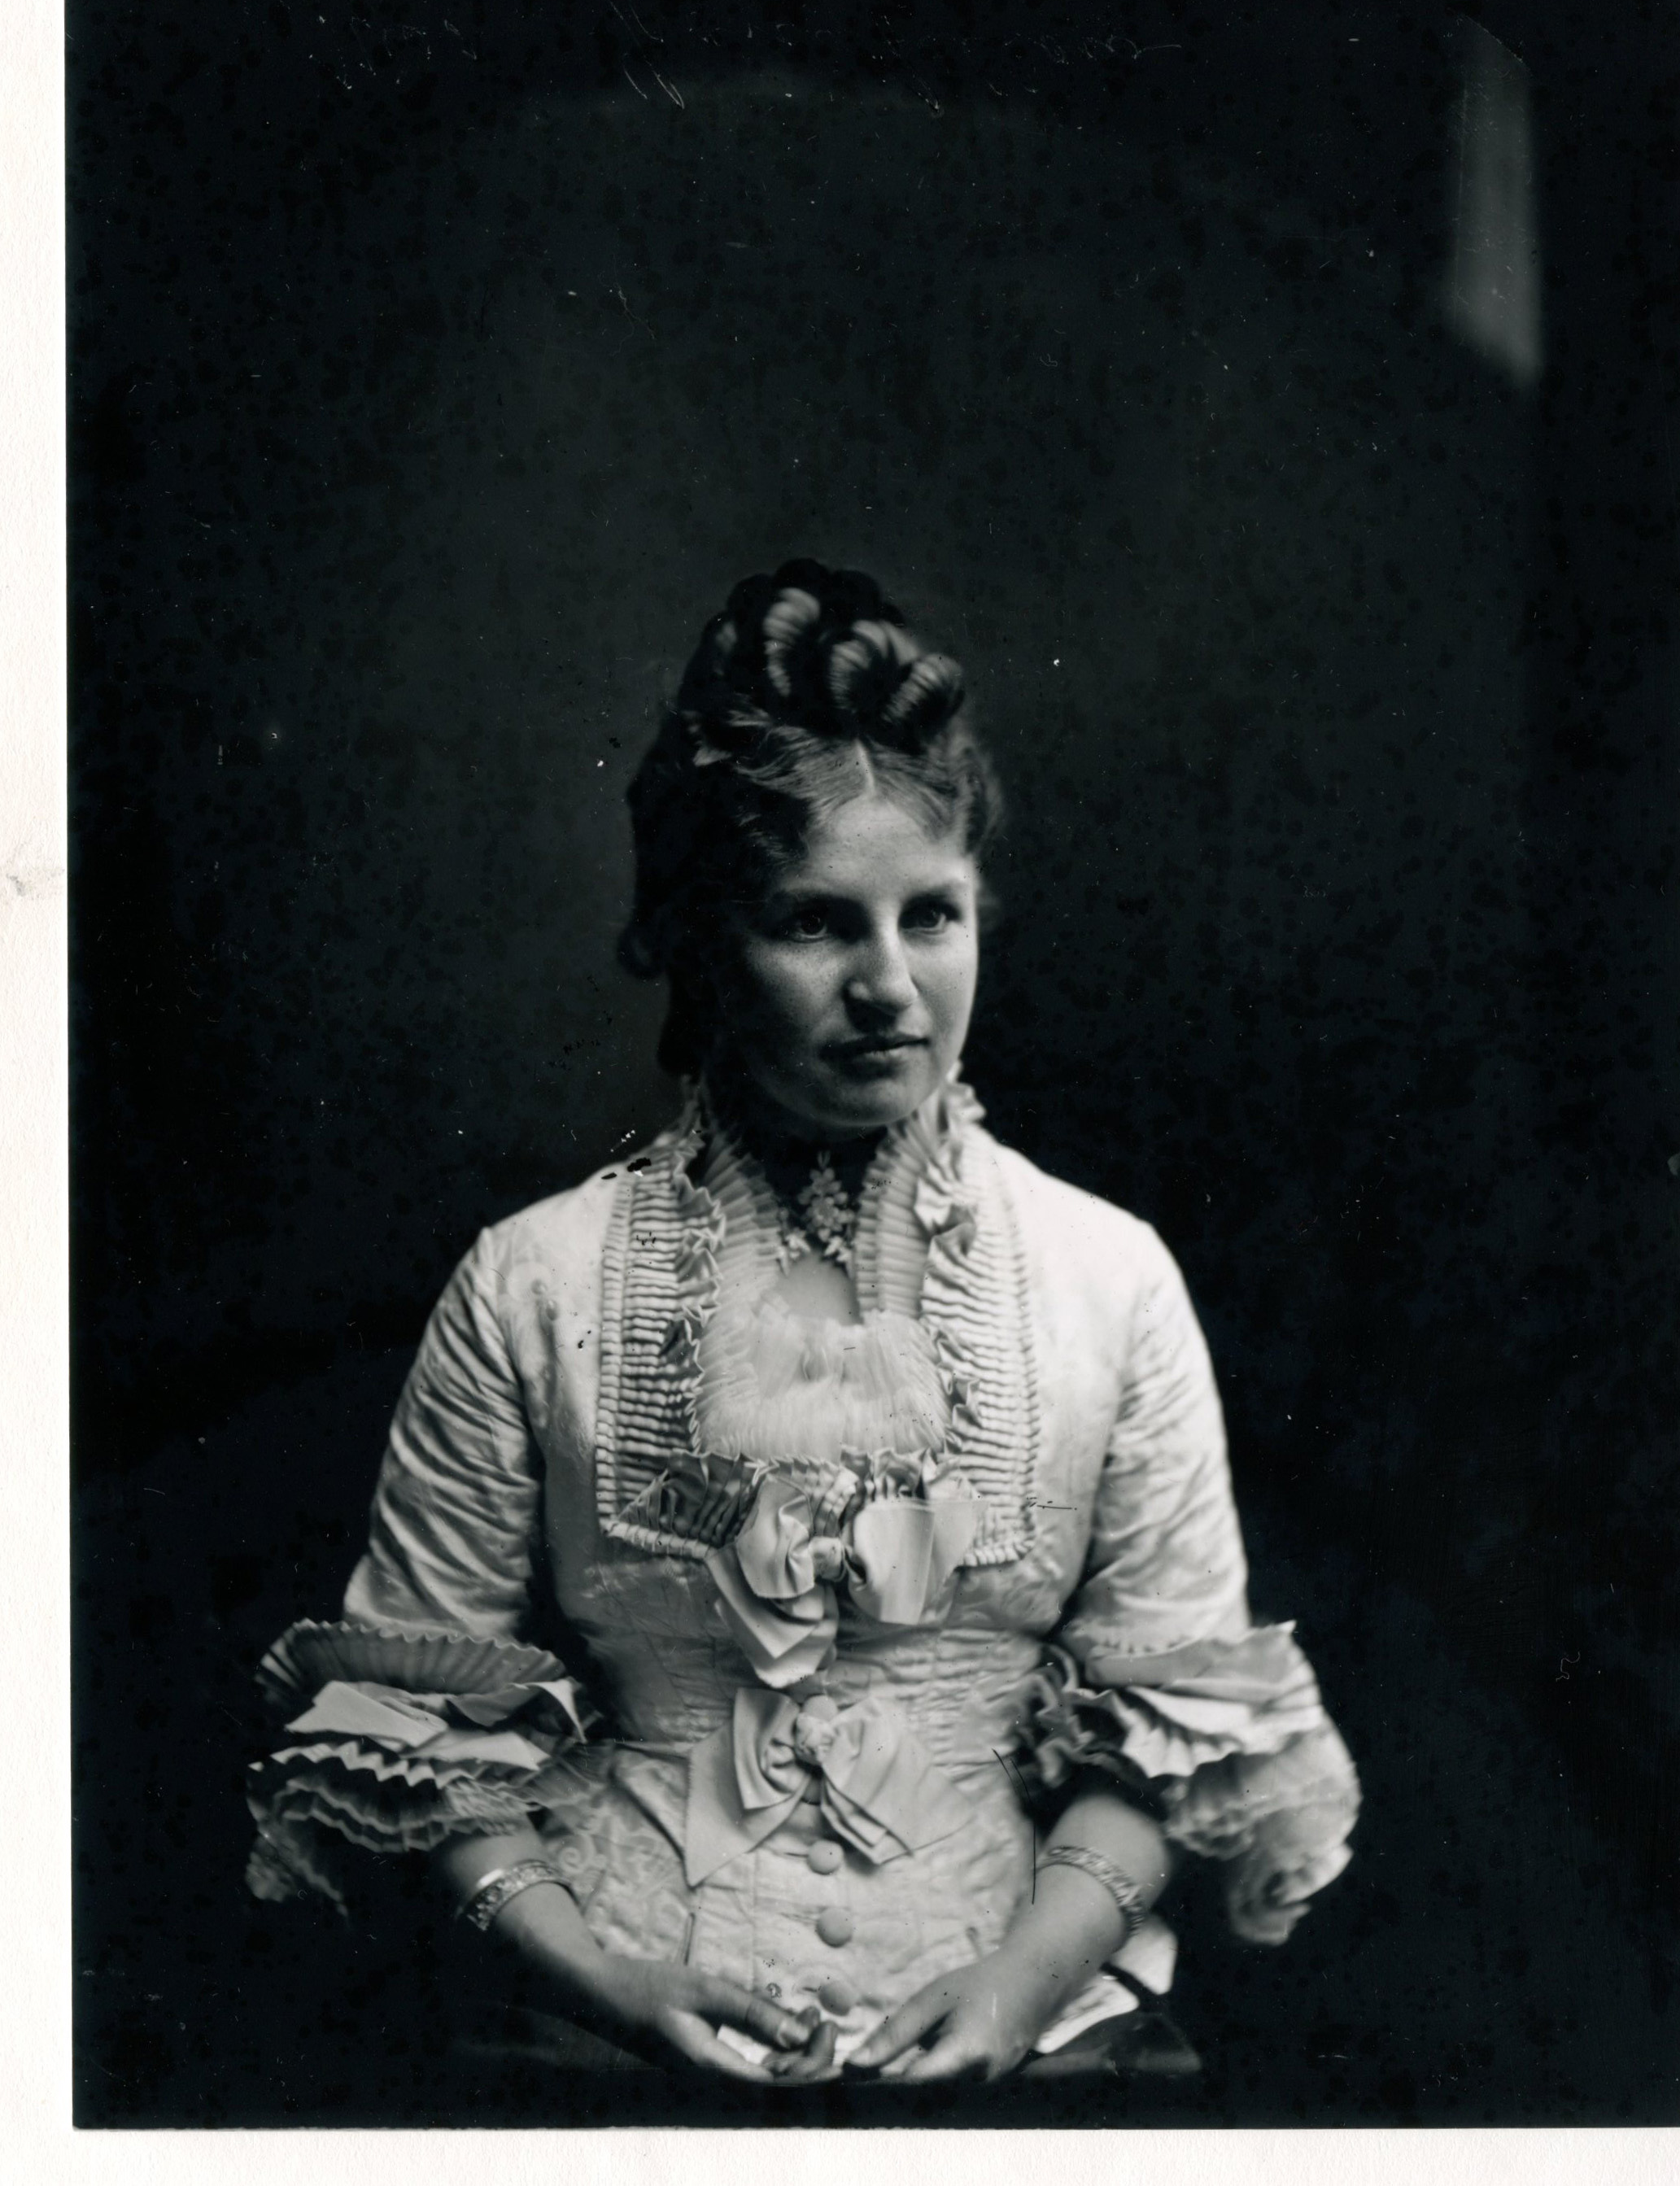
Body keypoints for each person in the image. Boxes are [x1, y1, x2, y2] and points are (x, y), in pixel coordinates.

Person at [245, 561, 1361, 2090]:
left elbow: (1172, 1722)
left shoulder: (1112, 1278)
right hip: (606, 2026)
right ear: (705, 940)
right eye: (816, 922)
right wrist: (618, 1981)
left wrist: (1019, 1989)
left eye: (935, 916)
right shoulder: (535, 1281)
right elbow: (417, 1724)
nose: (890, 987)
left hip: (1031, 2029)